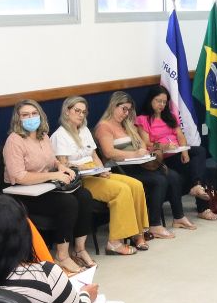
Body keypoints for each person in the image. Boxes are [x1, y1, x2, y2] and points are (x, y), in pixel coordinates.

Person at [3, 100, 96, 273]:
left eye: (34, 113)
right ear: (18, 119)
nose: (30, 117)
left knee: (84, 196)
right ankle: (62, 256)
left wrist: (60, 166)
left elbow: (51, 160)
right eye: (25, 115)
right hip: (23, 194)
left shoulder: (43, 135)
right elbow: (19, 176)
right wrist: (53, 174)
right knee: (67, 203)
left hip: (45, 187)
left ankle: (80, 249)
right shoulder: (14, 141)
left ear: (40, 116)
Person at [50, 96, 149, 255]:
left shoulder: (84, 130)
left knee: (135, 185)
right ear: (67, 112)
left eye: (84, 112)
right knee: (121, 190)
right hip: (80, 178)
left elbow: (94, 155)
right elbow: (63, 164)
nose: (81, 115)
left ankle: (137, 233)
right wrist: (86, 168)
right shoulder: (59, 135)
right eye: (77, 111)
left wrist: (102, 170)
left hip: (95, 172)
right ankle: (114, 243)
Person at [94, 91, 181, 238]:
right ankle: (154, 224)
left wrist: (143, 151)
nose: (126, 113)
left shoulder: (126, 125)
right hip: (119, 169)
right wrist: (134, 154)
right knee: (158, 180)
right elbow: (109, 153)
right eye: (124, 109)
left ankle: (179, 217)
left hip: (138, 165)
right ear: (114, 106)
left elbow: (141, 144)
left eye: (129, 110)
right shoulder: (104, 126)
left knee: (171, 175)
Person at [135, 85, 216, 222]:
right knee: (198, 168)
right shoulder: (143, 119)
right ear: (150, 100)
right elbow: (147, 143)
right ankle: (203, 208)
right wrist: (164, 146)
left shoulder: (170, 116)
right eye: (158, 101)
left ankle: (197, 185)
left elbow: (181, 136)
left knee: (200, 151)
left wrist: (184, 150)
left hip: (177, 153)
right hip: (162, 158)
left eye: (164, 102)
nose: (161, 105)